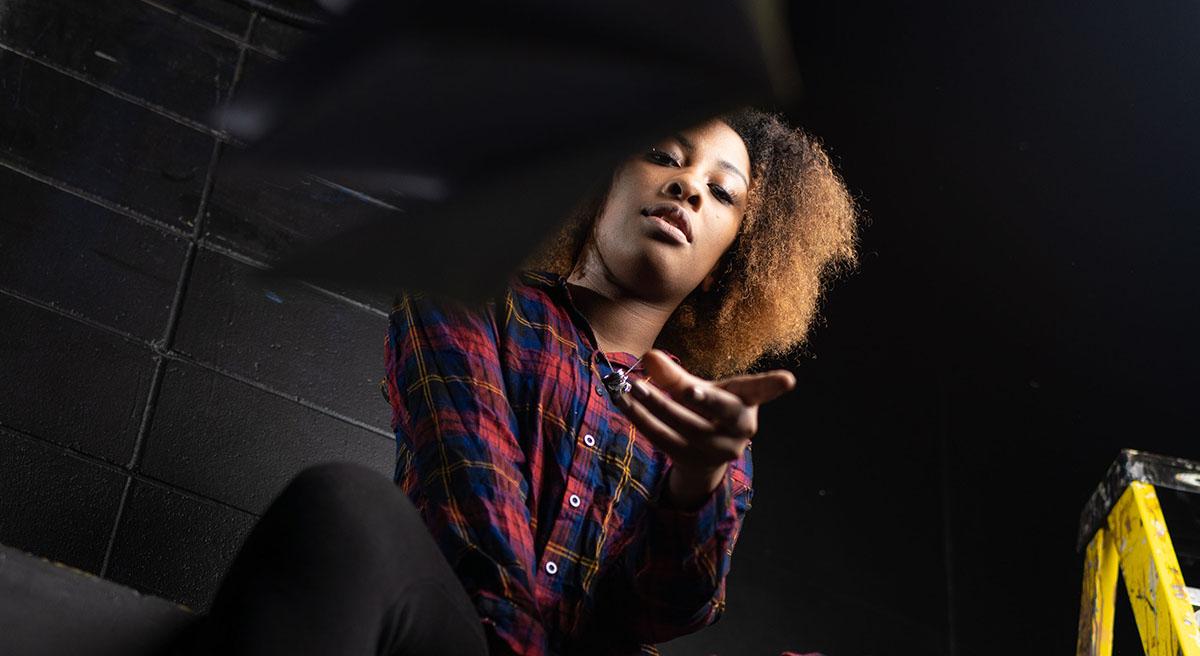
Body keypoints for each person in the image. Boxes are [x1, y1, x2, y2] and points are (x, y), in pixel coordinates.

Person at [162, 108, 856, 656]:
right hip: (452, 634)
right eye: (664, 156)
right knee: (347, 505)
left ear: (737, 257)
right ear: (603, 180)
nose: (687, 187)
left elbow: (662, 613)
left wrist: (698, 481)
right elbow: (470, 508)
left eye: (722, 193)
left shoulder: (710, 429)